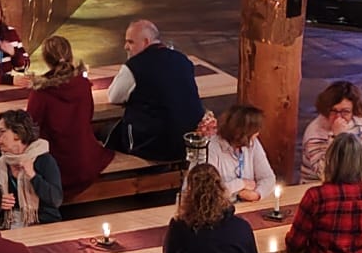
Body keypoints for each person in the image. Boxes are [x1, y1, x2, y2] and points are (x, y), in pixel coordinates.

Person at [104, 19, 203, 162]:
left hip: (152, 146)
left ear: (145, 42)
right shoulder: (182, 59)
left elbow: (114, 96)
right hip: (187, 141)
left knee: (107, 132)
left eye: (130, 42)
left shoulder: (134, 66)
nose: (126, 47)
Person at [27, 35, 112, 198]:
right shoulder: (83, 85)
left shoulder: (41, 93)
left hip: (58, 163)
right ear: (70, 54)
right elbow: (89, 115)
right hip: (84, 157)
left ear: (45, 59)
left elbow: (30, 127)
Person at [0, 109, 63, 228]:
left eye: (2, 132)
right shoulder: (1, 165)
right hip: (9, 225)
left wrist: (33, 176)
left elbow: (56, 200)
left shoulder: (44, 160)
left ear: (18, 134)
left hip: (42, 224)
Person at [197, 103, 278, 203]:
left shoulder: (253, 143)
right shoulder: (211, 148)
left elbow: (268, 178)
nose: (257, 134)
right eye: (254, 131)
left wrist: (256, 194)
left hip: (246, 207)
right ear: (242, 134)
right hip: (217, 211)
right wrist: (241, 184)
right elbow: (208, 192)